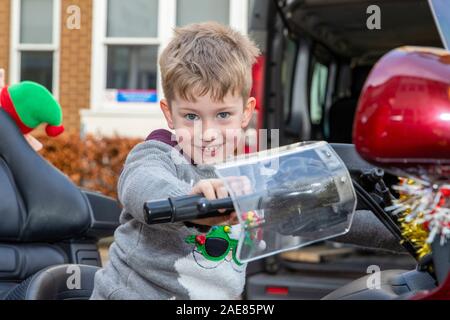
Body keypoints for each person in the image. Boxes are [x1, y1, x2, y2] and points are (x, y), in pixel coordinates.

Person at [91, 22, 260, 300]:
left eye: (223, 115)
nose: (207, 134)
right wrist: (190, 203)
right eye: (191, 117)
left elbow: (304, 207)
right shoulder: (156, 154)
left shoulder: (247, 176)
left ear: (246, 112)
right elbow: (141, 185)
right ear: (169, 114)